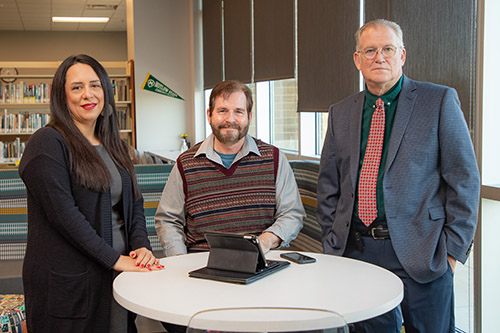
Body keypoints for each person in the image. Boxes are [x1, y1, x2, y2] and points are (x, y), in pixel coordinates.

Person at [317, 19, 480, 332]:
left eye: (388, 49)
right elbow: (329, 183)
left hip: (423, 252)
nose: (380, 57)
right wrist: (332, 237)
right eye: (370, 50)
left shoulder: (439, 101)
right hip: (357, 253)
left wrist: (452, 252)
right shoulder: (341, 111)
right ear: (357, 59)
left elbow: (465, 180)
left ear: (402, 55)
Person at [19, 54, 163, 333]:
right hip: (73, 282)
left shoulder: (115, 144)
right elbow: (64, 216)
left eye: (95, 85)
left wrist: (141, 246)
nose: (88, 94)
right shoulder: (47, 143)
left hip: (119, 276)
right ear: (61, 96)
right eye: (76, 87)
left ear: (106, 91)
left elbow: (133, 203)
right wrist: (115, 259)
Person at [155, 80, 305, 256]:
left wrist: (265, 241)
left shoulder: (275, 159)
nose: (230, 119)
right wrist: (180, 261)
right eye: (222, 111)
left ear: (249, 117)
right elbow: (168, 220)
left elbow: (292, 213)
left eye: (239, 112)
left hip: (261, 262)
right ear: (209, 115)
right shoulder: (185, 163)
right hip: (201, 266)